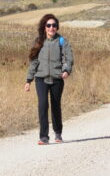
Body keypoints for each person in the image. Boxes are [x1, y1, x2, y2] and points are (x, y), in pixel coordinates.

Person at [25, 14, 74, 145]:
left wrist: (66, 70)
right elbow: (34, 61)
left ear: (57, 27)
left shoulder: (62, 41)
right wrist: (28, 80)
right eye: (48, 25)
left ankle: (58, 133)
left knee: (55, 106)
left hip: (57, 78)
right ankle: (44, 137)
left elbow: (68, 58)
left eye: (54, 25)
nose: (51, 28)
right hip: (41, 78)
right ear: (44, 27)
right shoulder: (39, 41)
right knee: (43, 106)